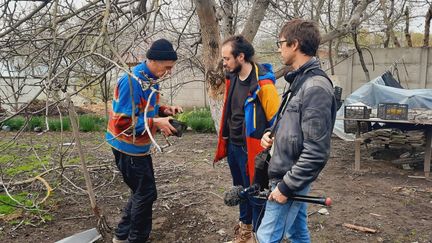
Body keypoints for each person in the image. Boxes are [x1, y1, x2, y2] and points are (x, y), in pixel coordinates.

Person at [256, 19, 337, 243]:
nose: (278, 48)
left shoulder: (315, 87)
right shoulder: (300, 80)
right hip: (287, 173)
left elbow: (316, 151)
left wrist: (286, 187)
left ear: (294, 44)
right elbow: (293, 125)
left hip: (288, 178)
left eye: (280, 42)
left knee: (266, 237)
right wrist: (272, 134)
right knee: (298, 232)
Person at [106, 38, 183, 243]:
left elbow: (142, 109)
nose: (169, 72)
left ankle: (122, 236)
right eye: (167, 67)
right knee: (146, 193)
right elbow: (122, 122)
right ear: (154, 61)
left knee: (141, 192)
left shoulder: (149, 80)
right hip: (127, 147)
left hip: (138, 147)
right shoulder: (131, 81)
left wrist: (163, 111)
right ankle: (135, 239)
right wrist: (155, 122)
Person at [214, 35, 280, 243]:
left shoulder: (264, 85)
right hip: (234, 146)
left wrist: (269, 148)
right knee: (240, 190)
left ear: (240, 56)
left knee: (256, 193)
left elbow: (278, 122)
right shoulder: (232, 78)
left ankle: (260, 236)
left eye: (227, 58)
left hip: (253, 150)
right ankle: (245, 232)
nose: (224, 63)